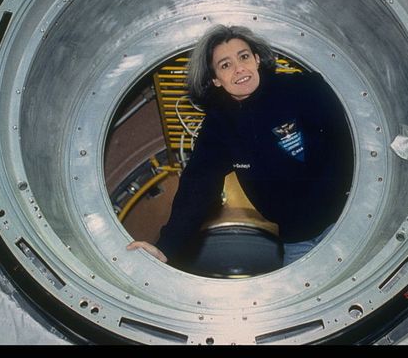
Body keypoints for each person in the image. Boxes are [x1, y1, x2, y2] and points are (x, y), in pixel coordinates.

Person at [127, 25, 352, 267]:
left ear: (256, 59)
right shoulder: (220, 123)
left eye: (244, 57)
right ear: (215, 80)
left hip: (342, 220)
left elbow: (350, 140)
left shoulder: (302, 88)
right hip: (296, 239)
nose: (239, 69)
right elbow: (197, 185)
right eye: (225, 65)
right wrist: (166, 247)